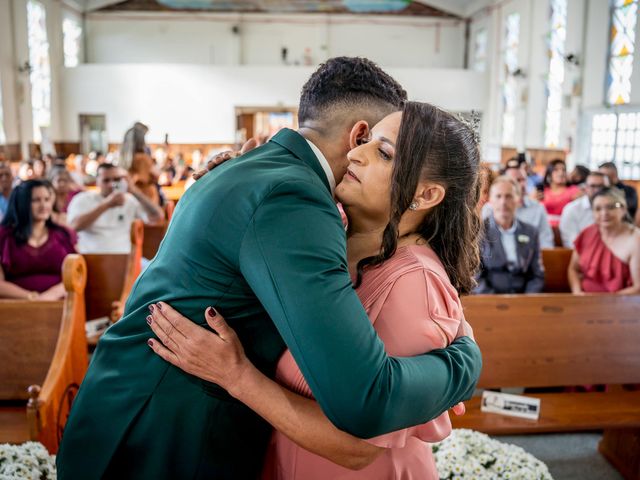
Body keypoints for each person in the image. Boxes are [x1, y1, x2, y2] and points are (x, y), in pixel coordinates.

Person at [56, 57, 481, 480]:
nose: (357, 153)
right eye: (368, 142)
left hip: (154, 418)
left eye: (382, 151)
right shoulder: (292, 197)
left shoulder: (274, 183)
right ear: (357, 132)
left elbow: (365, 411)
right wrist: (464, 364)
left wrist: (464, 357)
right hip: (159, 435)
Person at [0, 179, 76, 300]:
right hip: (15, 306)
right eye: (36, 200)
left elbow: (76, 273)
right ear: (22, 203)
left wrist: (50, 296)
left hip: (60, 304)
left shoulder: (62, 234)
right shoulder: (4, 236)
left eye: (47, 199)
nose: (44, 205)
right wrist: (32, 298)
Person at [67, 163, 163, 253]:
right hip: (92, 260)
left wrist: (134, 190)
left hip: (126, 260)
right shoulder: (83, 199)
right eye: (106, 180)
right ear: (97, 181)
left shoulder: (129, 200)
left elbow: (157, 216)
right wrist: (107, 205)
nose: (111, 184)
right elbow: (74, 226)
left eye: (116, 180)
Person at [475, 176, 544, 294]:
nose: (503, 202)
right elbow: (475, 277)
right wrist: (497, 304)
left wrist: (527, 300)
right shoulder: (478, 231)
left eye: (509, 196)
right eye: (498, 196)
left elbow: (536, 275)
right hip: (489, 301)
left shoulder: (530, 232)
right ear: (490, 200)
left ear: (517, 200)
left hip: (524, 301)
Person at [568, 187, 640, 294]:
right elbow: (573, 269)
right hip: (585, 300)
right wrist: (577, 292)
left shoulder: (636, 239)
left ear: (623, 209)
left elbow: (638, 287)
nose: (604, 213)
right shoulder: (587, 233)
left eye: (611, 207)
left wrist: (605, 303)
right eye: (597, 209)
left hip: (622, 304)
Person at [482, 159, 554, 248]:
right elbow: (483, 243)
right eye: (517, 180)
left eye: (524, 179)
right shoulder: (490, 208)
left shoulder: (538, 208)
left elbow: (546, 242)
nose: (522, 184)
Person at [559, 172, 609, 247]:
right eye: (593, 186)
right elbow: (573, 244)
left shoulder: (616, 209)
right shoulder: (571, 209)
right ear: (585, 188)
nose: (598, 190)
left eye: (602, 187)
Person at [539, 159, 581, 226]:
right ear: (549, 174)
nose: (561, 173)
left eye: (563, 170)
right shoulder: (541, 191)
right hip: (544, 227)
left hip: (566, 227)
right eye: (556, 170)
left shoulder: (574, 190)